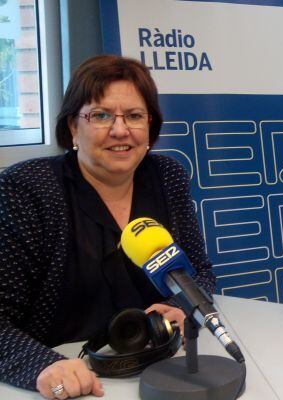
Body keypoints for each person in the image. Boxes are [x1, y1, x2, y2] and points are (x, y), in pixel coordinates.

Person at [0, 55, 215, 399]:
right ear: (73, 127)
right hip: (66, 381)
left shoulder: (167, 177)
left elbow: (199, 273)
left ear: (150, 128)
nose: (120, 130)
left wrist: (182, 306)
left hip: (157, 371)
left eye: (133, 116)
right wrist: (43, 366)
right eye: (100, 115)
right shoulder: (27, 189)